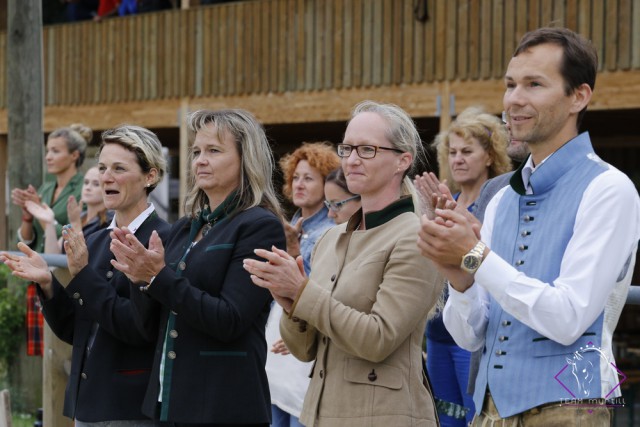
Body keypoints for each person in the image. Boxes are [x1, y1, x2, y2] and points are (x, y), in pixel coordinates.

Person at [418, 27, 640, 425]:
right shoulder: (501, 199)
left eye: (534, 84)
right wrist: (460, 279)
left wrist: (473, 256)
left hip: (571, 409)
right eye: (510, 85)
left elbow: (569, 318)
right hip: (489, 412)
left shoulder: (609, 189)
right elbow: (469, 337)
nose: (514, 99)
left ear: (579, 96)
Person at [244, 100, 443, 426]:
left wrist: (303, 292)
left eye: (367, 149)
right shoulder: (330, 240)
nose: (350, 159)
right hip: (321, 414)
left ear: (402, 161)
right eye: (347, 148)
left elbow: (377, 339)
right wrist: (291, 302)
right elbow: (304, 350)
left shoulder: (416, 236)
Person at [108, 109, 286, 426]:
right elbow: (148, 327)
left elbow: (230, 319)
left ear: (246, 159)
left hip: (224, 406)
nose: (200, 160)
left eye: (213, 151)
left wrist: (158, 277)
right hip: (169, 403)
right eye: (196, 152)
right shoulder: (182, 229)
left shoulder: (260, 226)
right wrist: (140, 280)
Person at [1, 125, 170, 426]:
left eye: (119, 168)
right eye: (102, 167)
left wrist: (80, 274)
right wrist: (48, 284)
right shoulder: (94, 240)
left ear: (151, 176)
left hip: (130, 408)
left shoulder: (163, 241)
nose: (106, 177)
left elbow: (136, 328)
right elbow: (75, 329)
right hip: (87, 404)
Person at [423, 106, 510, 426]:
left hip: (474, 334)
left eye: (467, 151)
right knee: (448, 418)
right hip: (438, 333)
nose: (457, 159)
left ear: (489, 156)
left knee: (474, 416)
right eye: (452, 151)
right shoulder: (449, 199)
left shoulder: (499, 198)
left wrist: (462, 250)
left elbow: (487, 261)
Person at [11, 123, 91, 356]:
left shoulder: (85, 188)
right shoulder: (45, 189)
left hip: (69, 275)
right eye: (48, 150)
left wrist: (48, 219)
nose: (48, 156)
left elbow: (84, 230)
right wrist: (28, 216)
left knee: (65, 350)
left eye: (56, 151)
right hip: (43, 275)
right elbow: (28, 239)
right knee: (45, 353)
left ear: (74, 155)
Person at [279, 142, 341, 275]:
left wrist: (293, 249)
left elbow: (312, 290)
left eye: (308, 178)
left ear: (327, 185)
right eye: (295, 178)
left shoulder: (330, 233)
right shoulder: (290, 228)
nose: (299, 185)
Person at [25, 165, 113, 254]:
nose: (88, 187)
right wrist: (49, 223)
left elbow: (81, 259)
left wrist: (75, 223)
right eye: (86, 182)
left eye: (96, 184)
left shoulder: (109, 222)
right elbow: (53, 256)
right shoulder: (81, 217)